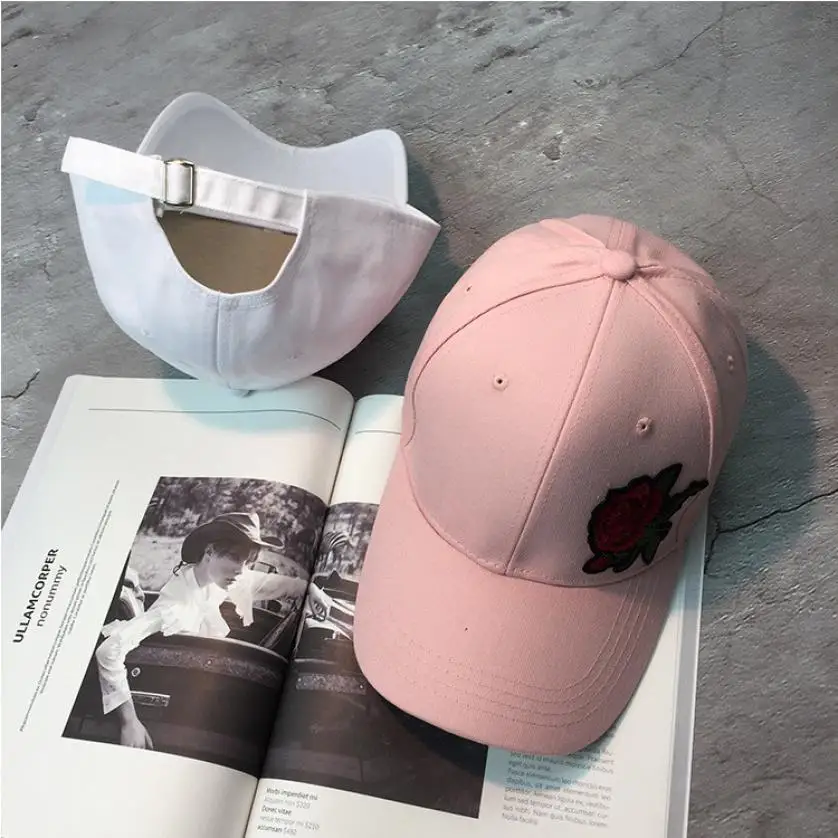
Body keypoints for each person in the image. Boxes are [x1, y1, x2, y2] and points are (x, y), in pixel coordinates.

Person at [95, 512, 308, 750]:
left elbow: (263, 583)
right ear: (210, 551)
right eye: (236, 557)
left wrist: (309, 590)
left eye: (248, 562)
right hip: (171, 698)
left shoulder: (208, 578)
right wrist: (129, 722)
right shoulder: (175, 608)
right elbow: (108, 651)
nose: (242, 570)